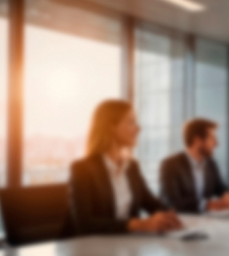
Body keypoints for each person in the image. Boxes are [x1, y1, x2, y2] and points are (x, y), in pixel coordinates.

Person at [69, 100, 183, 235]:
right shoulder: (82, 168)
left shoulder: (132, 166)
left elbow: (151, 203)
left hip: (125, 246)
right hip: (88, 248)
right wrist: (140, 224)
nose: (139, 128)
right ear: (111, 126)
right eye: (131, 122)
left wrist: (168, 215)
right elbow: (84, 224)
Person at [160, 118, 229, 214]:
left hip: (205, 221)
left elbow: (220, 188)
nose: (216, 144)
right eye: (212, 139)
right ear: (198, 141)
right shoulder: (170, 165)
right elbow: (172, 202)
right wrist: (208, 205)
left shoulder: (210, 164)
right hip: (180, 222)